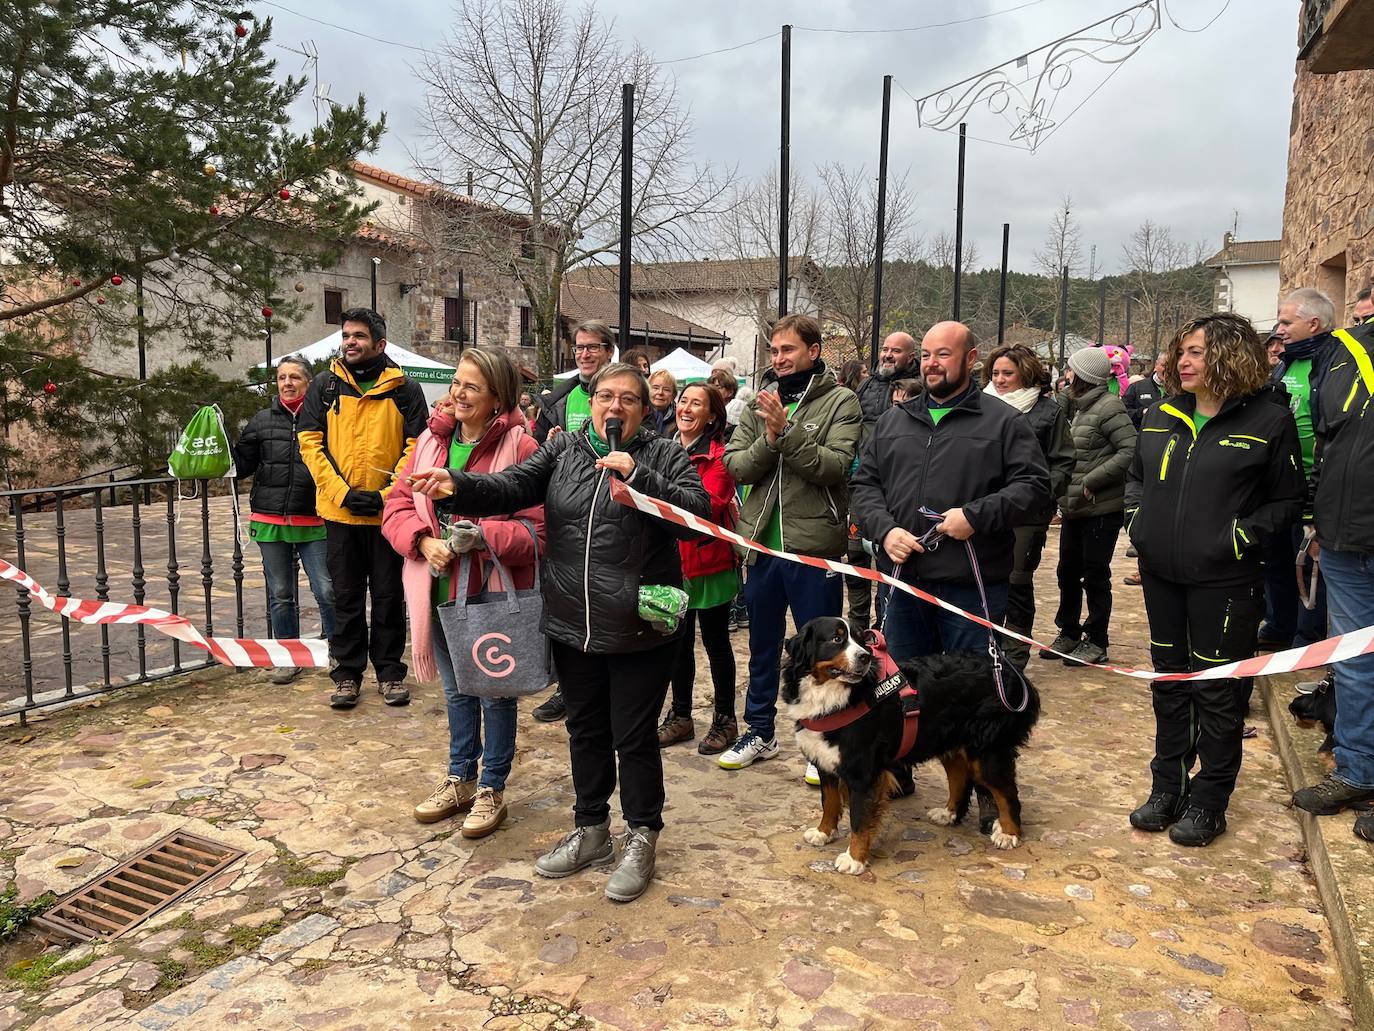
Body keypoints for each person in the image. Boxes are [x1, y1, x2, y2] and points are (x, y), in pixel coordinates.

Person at [408, 363, 710, 903]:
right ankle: (591, 828)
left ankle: (642, 834)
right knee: (585, 731)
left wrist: (638, 478)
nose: (614, 408)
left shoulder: (662, 453)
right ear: (591, 402)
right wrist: (459, 485)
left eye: (628, 401)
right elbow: (513, 485)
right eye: (605, 397)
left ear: (645, 411)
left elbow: (696, 513)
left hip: (639, 623)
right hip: (573, 623)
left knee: (633, 737)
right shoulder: (566, 449)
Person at [1125, 313, 1303, 847]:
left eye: (1198, 352)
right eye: (1183, 350)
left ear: (1231, 356)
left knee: (1218, 692)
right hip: (1161, 576)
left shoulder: (1269, 421)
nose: (1184, 360)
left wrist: (1237, 539)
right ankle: (1167, 787)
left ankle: (1210, 799)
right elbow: (1136, 478)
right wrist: (1139, 523)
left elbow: (1287, 501)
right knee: (1170, 683)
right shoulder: (1161, 413)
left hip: (1226, 581)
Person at [382, 349, 544, 838]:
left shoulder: (521, 447)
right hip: (437, 590)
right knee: (455, 692)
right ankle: (460, 778)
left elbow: (539, 532)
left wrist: (485, 537)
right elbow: (394, 504)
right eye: (456, 383)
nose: (459, 393)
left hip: (489, 593)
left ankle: (492, 785)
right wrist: (423, 540)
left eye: (472, 386)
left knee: (494, 694)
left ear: (497, 396)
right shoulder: (430, 443)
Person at [851, 321, 1049, 665]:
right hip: (902, 584)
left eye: (943, 354)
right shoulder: (892, 422)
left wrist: (975, 516)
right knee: (905, 692)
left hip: (972, 587)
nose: (932, 363)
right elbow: (865, 485)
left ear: (970, 358)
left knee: (968, 695)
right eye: (927, 355)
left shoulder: (1005, 422)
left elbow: (1034, 488)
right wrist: (885, 530)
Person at [719, 313, 862, 776]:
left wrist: (789, 433)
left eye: (789, 350)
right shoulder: (760, 403)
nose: (779, 359)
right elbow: (737, 467)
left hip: (813, 548)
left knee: (823, 651)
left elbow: (835, 467)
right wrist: (772, 435)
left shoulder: (841, 402)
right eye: (775, 351)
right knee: (762, 647)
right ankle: (759, 731)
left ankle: (825, 739)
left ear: (813, 352)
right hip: (762, 546)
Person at [298, 308, 426, 710]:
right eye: (346, 335)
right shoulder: (325, 386)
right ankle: (347, 675)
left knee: (389, 597)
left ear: (380, 344)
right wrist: (341, 492)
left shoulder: (404, 389)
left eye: (358, 336)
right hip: (340, 514)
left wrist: (388, 494)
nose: (350, 342)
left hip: (389, 517)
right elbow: (309, 443)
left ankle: (389, 672)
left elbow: (416, 448)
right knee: (345, 597)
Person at [1292, 320, 1374, 840]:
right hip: (1345, 538)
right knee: (1353, 663)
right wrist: (1318, 519)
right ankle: (1357, 771)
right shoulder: (1344, 351)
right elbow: (1326, 441)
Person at [528, 319, 617, 722]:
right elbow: (535, 450)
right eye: (579, 347)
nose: (583, 353)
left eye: (592, 347)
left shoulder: (625, 396)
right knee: (564, 602)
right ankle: (568, 688)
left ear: (609, 352)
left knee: (603, 602)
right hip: (566, 513)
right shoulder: (558, 398)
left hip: (611, 514)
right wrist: (545, 446)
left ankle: (612, 688)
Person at [234, 357, 336, 685]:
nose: (287, 383)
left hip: (315, 516)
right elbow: (242, 464)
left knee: (326, 589)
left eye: (294, 377)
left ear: (309, 383)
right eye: (281, 378)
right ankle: (289, 656)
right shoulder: (262, 420)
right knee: (280, 592)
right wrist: (218, 444)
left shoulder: (325, 419)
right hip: (270, 517)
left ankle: (338, 650)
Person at [657, 383, 740, 755]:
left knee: (716, 642)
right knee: (676, 645)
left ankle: (725, 720)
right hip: (672, 564)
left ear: (712, 416)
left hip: (709, 564)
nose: (686, 408)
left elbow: (704, 505)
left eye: (697, 404)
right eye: (683, 401)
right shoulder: (661, 448)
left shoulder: (719, 458)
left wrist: (654, 483)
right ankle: (681, 716)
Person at [982, 344, 1074, 671]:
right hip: (983, 509)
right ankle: (985, 650)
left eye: (1008, 373)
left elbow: (1063, 461)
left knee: (1016, 581)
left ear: (1025, 373)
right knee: (983, 579)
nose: (1001, 379)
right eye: (995, 373)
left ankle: (1014, 657)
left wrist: (1042, 496)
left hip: (1026, 512)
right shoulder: (979, 405)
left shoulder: (1048, 411)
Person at [1043, 347, 1136, 666]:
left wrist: (1092, 480)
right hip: (1075, 508)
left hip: (1100, 508)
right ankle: (1068, 632)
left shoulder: (1109, 407)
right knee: (1067, 572)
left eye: (1070, 371)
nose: (1065, 376)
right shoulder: (1080, 406)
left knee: (1095, 576)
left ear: (1082, 375)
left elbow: (1130, 449)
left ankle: (1097, 639)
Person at [1260, 288, 1337, 651]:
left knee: (1306, 566)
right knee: (1275, 561)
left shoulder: (1331, 363)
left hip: (1313, 486)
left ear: (1314, 323)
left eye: (1287, 321)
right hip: (1279, 486)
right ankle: (1278, 625)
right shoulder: (1286, 362)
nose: (1281, 329)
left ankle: (1306, 640)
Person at [855, 332, 918, 435]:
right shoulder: (866, 384)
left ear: (910, 357)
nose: (888, 355)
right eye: (885, 349)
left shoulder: (921, 387)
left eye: (896, 351)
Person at [1123, 354, 1169, 430]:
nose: (1168, 370)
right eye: (1164, 366)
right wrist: (1142, 412)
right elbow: (1122, 413)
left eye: (1172, 367)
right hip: (1141, 437)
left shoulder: (1179, 390)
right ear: (1156, 364)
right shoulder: (1137, 387)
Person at [647, 370, 678, 437]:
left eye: (666, 389)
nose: (660, 392)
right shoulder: (638, 415)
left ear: (673, 395)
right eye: (655, 388)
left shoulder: (679, 420)